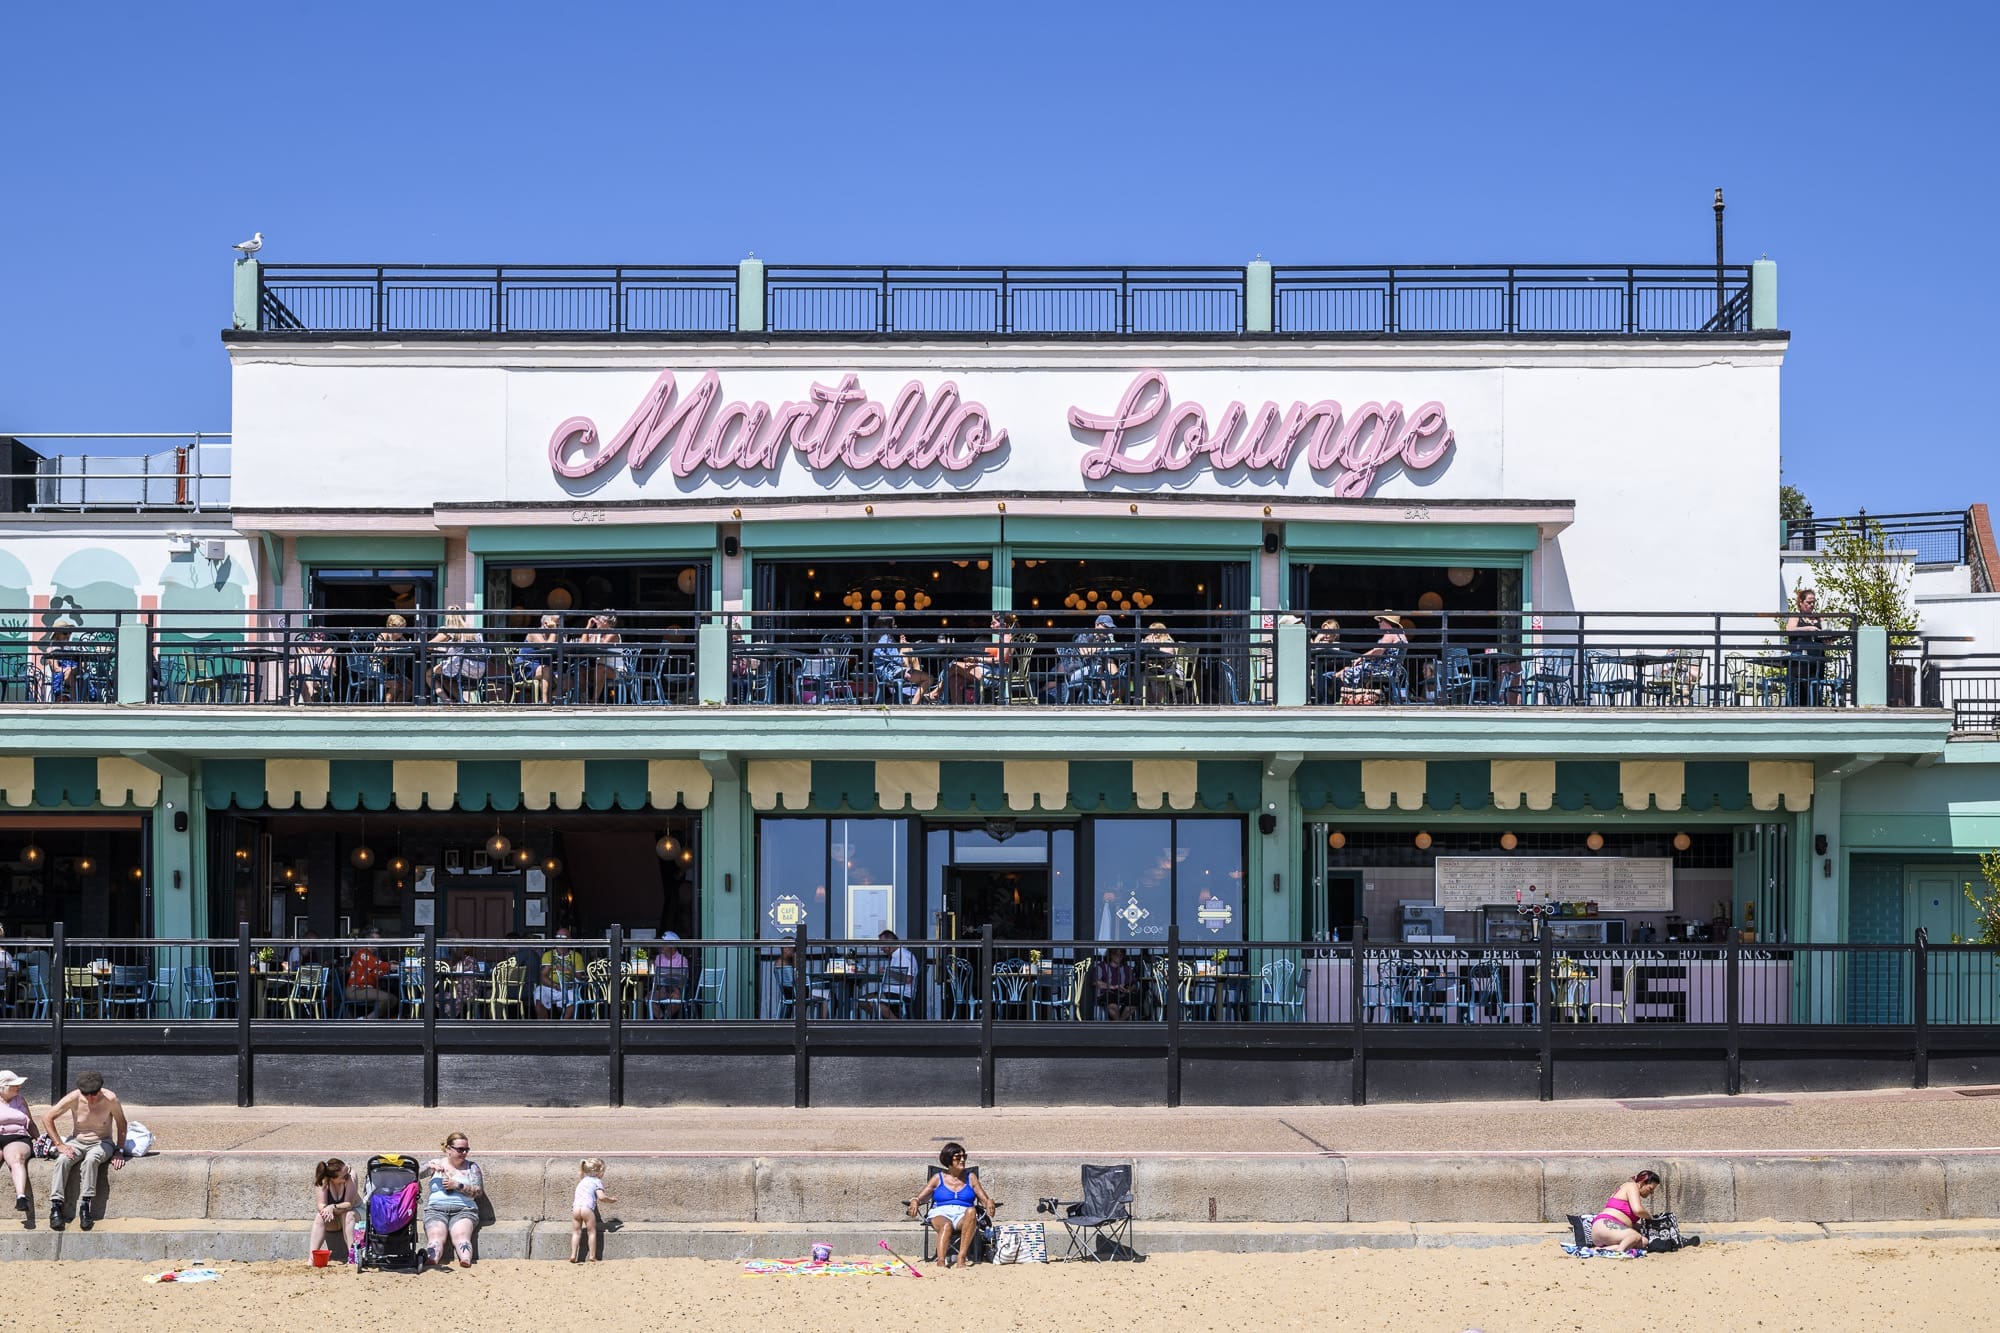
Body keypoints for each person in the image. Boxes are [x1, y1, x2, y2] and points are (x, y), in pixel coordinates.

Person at [41, 1070, 128, 1232]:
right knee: (62, 1160)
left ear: (100, 1090)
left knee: (91, 1159)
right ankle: (55, 1207)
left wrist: (119, 1150)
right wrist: (59, 1144)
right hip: (78, 1141)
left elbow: (122, 1124)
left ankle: (85, 1206)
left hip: (103, 1141)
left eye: (94, 1094)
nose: (90, 1098)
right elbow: (47, 1117)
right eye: (86, 1094)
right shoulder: (73, 1098)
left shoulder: (111, 1099)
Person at [905, 1142, 996, 1270]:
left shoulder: (971, 1178)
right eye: (958, 1157)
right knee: (946, 1225)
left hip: (963, 1215)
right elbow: (920, 1197)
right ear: (948, 1160)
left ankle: (961, 1257)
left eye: (964, 1156)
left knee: (971, 1210)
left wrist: (989, 1202)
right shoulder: (938, 1178)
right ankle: (941, 1261)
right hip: (941, 1212)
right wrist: (914, 1201)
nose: (963, 1160)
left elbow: (984, 1199)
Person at [419, 1132, 484, 1267]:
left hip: (464, 1209)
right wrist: (429, 1167)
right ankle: (433, 1259)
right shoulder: (437, 1164)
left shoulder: (471, 1167)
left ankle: (465, 1260)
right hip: (436, 1209)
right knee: (436, 1236)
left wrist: (457, 1185)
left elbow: (478, 1191)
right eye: (460, 1149)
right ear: (449, 1149)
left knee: (461, 1236)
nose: (464, 1153)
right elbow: (412, 1174)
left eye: (467, 1149)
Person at [1334, 612, 1409, 701]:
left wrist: (1361, 658)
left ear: (1387, 622)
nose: (1379, 623)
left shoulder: (1390, 634)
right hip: (1395, 670)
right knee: (1348, 669)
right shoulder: (1401, 635)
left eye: (1381, 620)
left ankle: (1350, 698)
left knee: (1347, 672)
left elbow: (1377, 651)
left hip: (1383, 669)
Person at [1588, 1169, 1660, 1252]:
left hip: (1605, 1232)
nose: (1651, 1193)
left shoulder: (1627, 1192)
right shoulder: (1631, 1186)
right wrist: (1650, 1217)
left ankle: (1602, 1249)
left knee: (1643, 1242)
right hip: (1606, 1225)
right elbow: (1638, 1210)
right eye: (1650, 1189)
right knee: (1635, 1236)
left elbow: (1625, 1219)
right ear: (1642, 1183)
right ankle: (1620, 1251)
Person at [426, 608, 487, 704]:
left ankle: (445, 700)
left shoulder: (449, 629)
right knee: (446, 676)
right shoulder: (474, 631)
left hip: (462, 668)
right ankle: (461, 700)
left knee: (430, 674)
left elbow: (429, 646)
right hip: (479, 670)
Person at [1784, 587, 1830, 705]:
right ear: (1801, 603)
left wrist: (1828, 638)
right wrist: (1808, 629)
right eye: (1808, 602)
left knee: (1816, 687)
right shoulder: (1796, 616)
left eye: (1813, 602)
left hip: (1817, 659)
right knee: (1800, 688)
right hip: (1800, 660)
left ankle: (1816, 709)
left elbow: (1825, 635)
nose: (1811, 605)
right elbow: (1789, 629)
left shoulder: (1819, 618)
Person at [873, 617, 932, 705]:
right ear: (888, 626)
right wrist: (903, 650)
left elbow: (889, 657)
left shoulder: (879, 638)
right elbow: (898, 660)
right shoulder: (886, 638)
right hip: (892, 673)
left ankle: (917, 697)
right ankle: (914, 704)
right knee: (929, 678)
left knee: (907, 649)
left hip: (886, 673)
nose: (895, 627)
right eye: (893, 625)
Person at [569, 1157, 618, 1263]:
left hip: (576, 1208)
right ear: (598, 1172)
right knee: (591, 1232)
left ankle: (573, 1255)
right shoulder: (597, 1182)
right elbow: (601, 1197)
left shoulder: (582, 1180)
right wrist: (611, 1200)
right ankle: (592, 1256)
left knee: (576, 1232)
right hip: (587, 1209)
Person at [1, 1071, 32, 1225]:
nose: (18, 1087)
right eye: (14, 1085)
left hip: (17, 1136)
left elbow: (30, 1123)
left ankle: (21, 1197)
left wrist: (39, 1139)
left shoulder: (20, 1100)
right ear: (2, 1087)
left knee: (16, 1158)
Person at [309, 1157, 356, 1257]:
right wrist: (327, 1209)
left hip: (353, 1214)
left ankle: (353, 1257)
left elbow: (349, 1204)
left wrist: (332, 1207)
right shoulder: (323, 1180)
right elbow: (321, 1205)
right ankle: (312, 1259)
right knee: (319, 1217)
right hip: (335, 1219)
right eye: (343, 1176)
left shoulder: (351, 1176)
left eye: (347, 1172)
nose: (347, 1176)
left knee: (347, 1215)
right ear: (332, 1179)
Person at [867, 930, 918, 1019]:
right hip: (892, 992)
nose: (881, 948)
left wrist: (888, 973)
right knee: (864, 1001)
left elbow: (909, 979)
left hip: (902, 994)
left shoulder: (904, 956)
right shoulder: (895, 956)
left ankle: (896, 1024)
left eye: (882, 945)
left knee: (873, 1001)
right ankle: (883, 1021)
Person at [537, 928, 585, 1019]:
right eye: (557, 937)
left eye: (563, 937)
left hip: (569, 987)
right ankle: (543, 1026)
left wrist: (569, 970)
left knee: (573, 997)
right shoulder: (548, 955)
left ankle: (563, 1024)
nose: (560, 939)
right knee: (538, 993)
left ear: (570, 939)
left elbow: (580, 978)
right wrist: (555, 985)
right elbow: (543, 976)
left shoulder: (577, 956)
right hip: (551, 986)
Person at [345, 929, 394, 1018]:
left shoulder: (371, 954)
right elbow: (378, 965)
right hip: (356, 990)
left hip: (365, 989)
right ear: (368, 941)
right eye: (376, 940)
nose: (379, 942)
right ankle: (366, 1020)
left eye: (379, 940)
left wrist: (388, 965)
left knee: (393, 999)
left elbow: (377, 967)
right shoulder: (363, 952)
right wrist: (396, 966)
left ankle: (374, 1020)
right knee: (387, 998)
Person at [579, 613, 627, 704]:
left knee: (600, 668)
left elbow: (601, 646)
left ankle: (594, 700)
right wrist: (588, 627)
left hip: (617, 671)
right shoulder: (598, 634)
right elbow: (583, 643)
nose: (596, 623)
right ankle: (584, 699)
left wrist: (595, 636)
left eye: (598, 621)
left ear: (605, 622)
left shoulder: (613, 633)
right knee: (581, 670)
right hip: (600, 669)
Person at [516, 614, 561, 704]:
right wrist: (554, 631)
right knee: (546, 670)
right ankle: (545, 703)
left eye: (559, 625)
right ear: (545, 624)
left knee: (566, 679)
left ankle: (551, 700)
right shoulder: (534, 632)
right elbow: (546, 648)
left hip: (543, 668)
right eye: (556, 625)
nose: (558, 628)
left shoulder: (553, 635)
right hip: (526, 668)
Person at [1093, 947, 1137, 1021]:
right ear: (1110, 955)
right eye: (1116, 954)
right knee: (1111, 1001)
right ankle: (1119, 1025)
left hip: (1123, 994)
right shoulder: (1101, 967)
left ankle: (1119, 1024)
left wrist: (1129, 990)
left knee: (1134, 999)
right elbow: (1095, 982)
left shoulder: (1127, 968)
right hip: (1107, 993)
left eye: (1121, 954)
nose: (1119, 956)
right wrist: (1113, 987)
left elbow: (1134, 984)